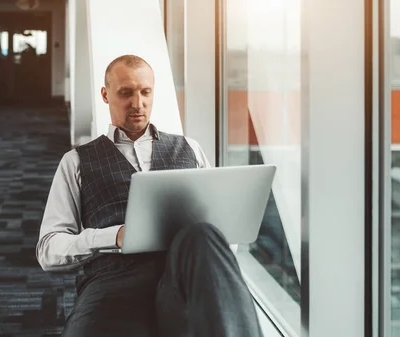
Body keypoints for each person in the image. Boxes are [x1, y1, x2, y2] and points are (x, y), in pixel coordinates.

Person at [36, 54, 261, 337]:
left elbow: (222, 238)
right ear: (106, 95)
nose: (138, 104)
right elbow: (48, 249)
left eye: (145, 92)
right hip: (114, 281)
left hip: (182, 277)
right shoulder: (77, 161)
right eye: (126, 93)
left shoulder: (189, 148)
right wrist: (112, 236)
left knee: (203, 234)